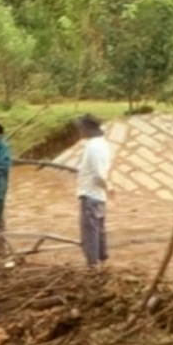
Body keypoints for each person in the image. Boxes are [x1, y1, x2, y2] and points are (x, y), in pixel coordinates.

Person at [75, 114, 112, 269]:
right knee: (99, 229)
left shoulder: (92, 147)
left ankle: (93, 266)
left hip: (91, 194)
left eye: (81, 128)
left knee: (90, 232)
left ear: (87, 129)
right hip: (98, 196)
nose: (79, 131)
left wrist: (109, 187)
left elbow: (98, 174)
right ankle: (101, 262)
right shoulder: (103, 144)